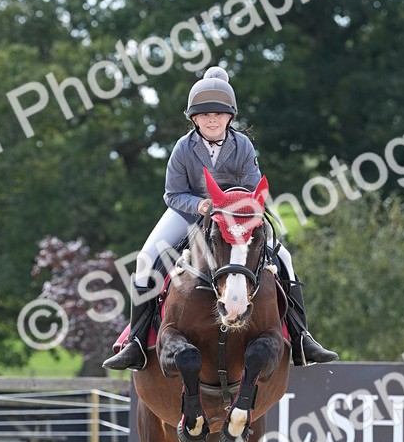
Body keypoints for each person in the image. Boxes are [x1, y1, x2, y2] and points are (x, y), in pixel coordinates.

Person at [104, 65, 338, 371]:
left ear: (230, 117)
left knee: (286, 258)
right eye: (204, 114)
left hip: (236, 216)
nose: (212, 119)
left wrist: (234, 207)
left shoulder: (242, 145)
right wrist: (201, 205)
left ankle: (302, 337)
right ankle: (135, 342)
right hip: (189, 212)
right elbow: (172, 194)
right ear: (194, 118)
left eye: (218, 113)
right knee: (146, 258)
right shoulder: (182, 148)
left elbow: (254, 189)